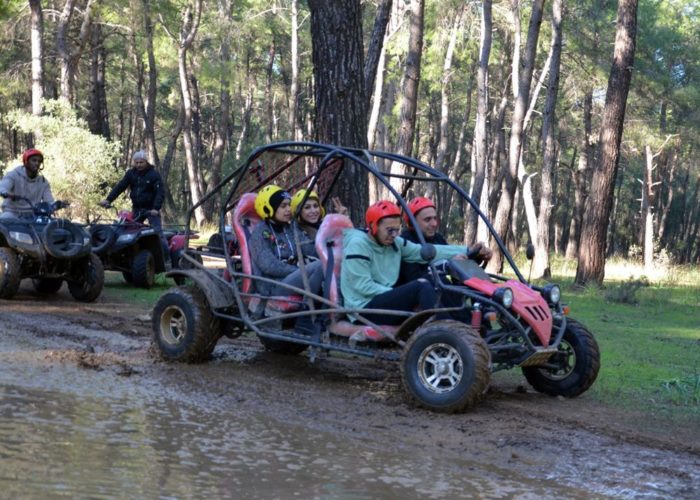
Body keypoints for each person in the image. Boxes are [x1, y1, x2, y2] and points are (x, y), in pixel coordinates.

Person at [340, 200, 491, 326]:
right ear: (373, 227)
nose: (394, 235)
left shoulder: (395, 243)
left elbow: (425, 251)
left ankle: (468, 323)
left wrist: (467, 250)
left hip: (383, 301)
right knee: (421, 285)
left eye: (396, 230)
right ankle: (450, 330)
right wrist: (399, 295)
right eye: (389, 230)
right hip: (363, 310)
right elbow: (362, 286)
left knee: (437, 280)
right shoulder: (358, 245)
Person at [248, 185, 325, 300]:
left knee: (328, 264)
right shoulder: (260, 232)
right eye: (283, 206)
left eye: (289, 205)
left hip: (292, 278)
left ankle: (327, 311)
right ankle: (307, 316)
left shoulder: (290, 228)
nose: (289, 209)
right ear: (268, 208)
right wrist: (300, 271)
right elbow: (269, 266)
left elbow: (310, 250)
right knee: (320, 266)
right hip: (273, 285)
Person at [398, 196, 492, 284]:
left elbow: (457, 257)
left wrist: (479, 256)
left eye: (435, 218)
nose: (434, 223)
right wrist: (446, 266)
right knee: (443, 282)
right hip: (419, 295)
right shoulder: (406, 243)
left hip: (440, 291)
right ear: (412, 222)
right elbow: (414, 279)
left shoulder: (437, 238)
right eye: (427, 220)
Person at [99, 150, 169, 262]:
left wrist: (155, 208)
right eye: (136, 162)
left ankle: (166, 258)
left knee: (157, 233)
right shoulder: (131, 174)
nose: (139, 165)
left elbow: (160, 193)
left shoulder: (153, 174)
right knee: (129, 232)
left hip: (151, 210)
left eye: (141, 162)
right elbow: (120, 187)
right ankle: (131, 258)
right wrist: (108, 199)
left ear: (146, 162)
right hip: (137, 209)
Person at [0, 148, 55, 219]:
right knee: (4, 219)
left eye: (39, 161)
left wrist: (55, 205)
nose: (37, 163)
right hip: (12, 212)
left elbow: (49, 201)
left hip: (33, 215)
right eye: (34, 160)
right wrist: (5, 193)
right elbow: (2, 187)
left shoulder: (43, 182)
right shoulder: (13, 175)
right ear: (26, 161)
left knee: (52, 223)